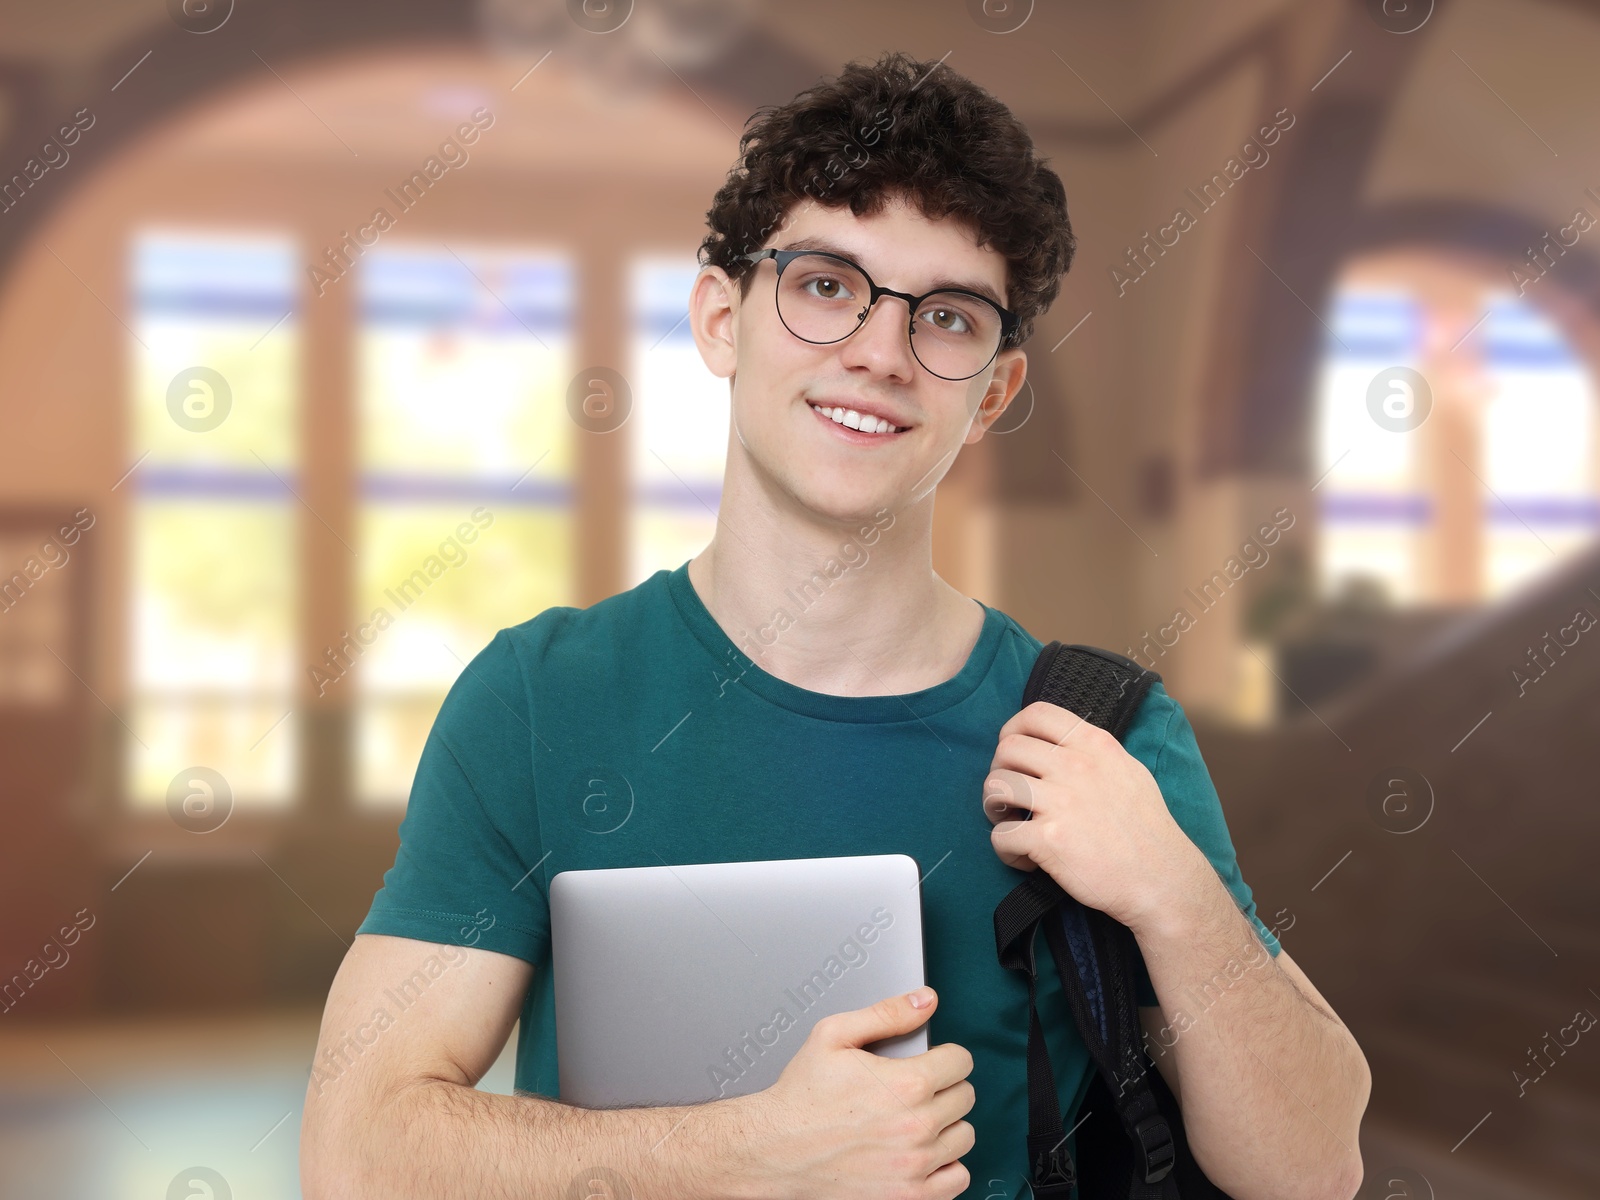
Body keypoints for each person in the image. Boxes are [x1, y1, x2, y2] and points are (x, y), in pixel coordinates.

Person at [301, 49, 1369, 1200]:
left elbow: (1314, 1170)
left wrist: (1171, 894)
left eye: (947, 318)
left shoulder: (1099, 731)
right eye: (824, 286)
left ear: (992, 395)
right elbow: (357, 1151)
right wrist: (752, 1152)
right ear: (722, 318)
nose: (879, 352)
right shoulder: (539, 699)